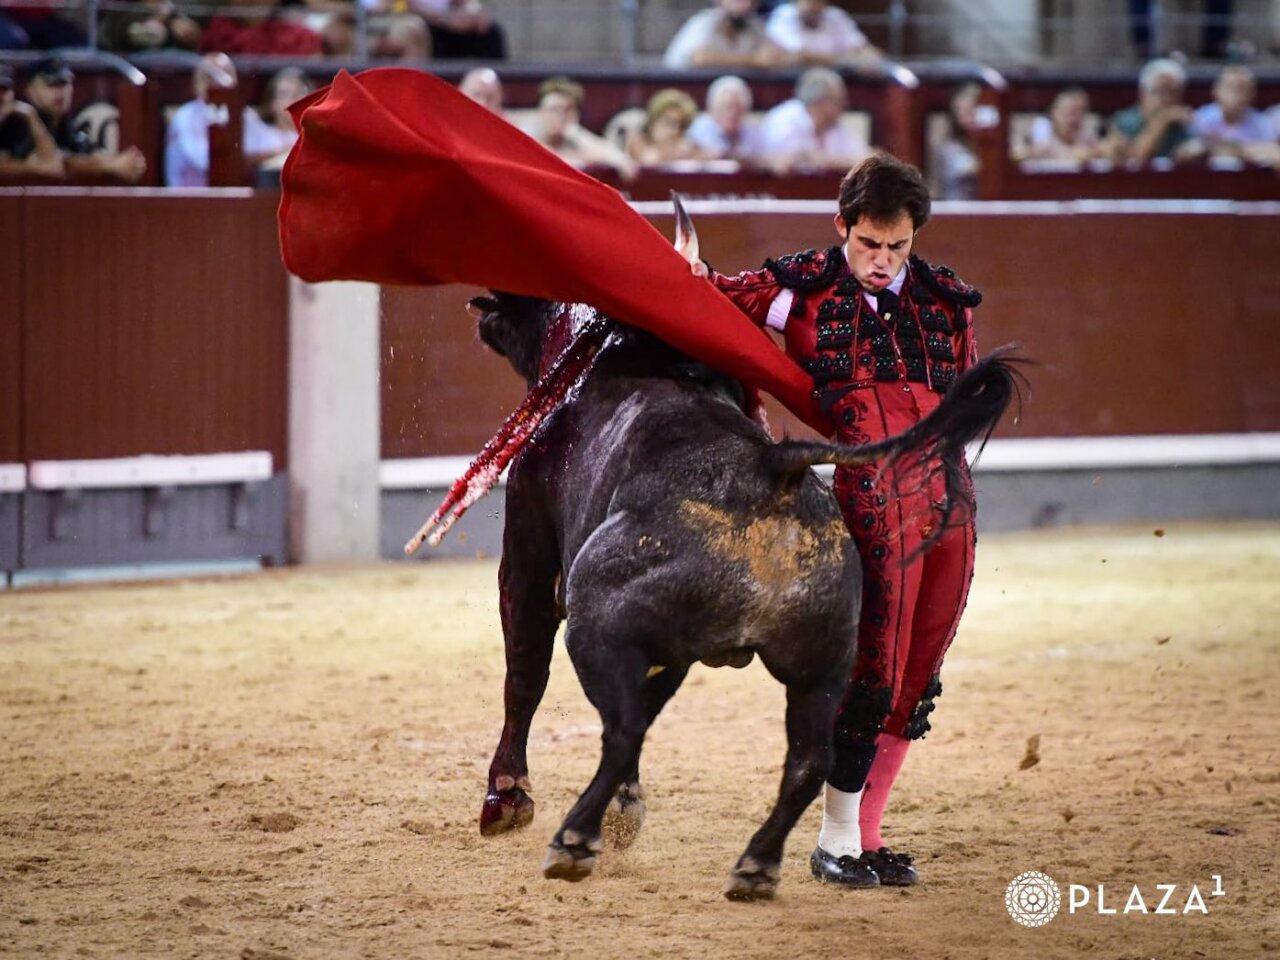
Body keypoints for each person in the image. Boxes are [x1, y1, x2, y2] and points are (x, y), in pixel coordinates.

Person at [691, 153, 982, 889]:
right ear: (841, 226)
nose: (882, 261)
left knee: (919, 669)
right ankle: (836, 840)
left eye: (897, 246)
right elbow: (706, 302)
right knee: (875, 663)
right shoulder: (798, 290)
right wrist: (687, 275)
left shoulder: (947, 300)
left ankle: (868, 836)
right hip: (872, 501)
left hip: (951, 500)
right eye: (868, 244)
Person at [165, 53, 296, 187]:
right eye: (209, 77)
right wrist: (253, 155)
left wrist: (298, 141)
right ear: (196, 85)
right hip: (191, 196)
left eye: (225, 75)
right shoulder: (185, 117)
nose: (218, 83)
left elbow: (268, 141)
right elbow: (206, 160)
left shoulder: (243, 114)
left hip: (231, 195)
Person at [15, 56, 147, 183]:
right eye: (51, 84)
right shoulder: (19, 122)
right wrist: (111, 165)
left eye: (64, 83)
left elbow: (83, 154)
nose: (60, 92)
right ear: (30, 90)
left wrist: (123, 163)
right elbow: (55, 162)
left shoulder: (68, 127)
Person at [759, 67, 869, 174]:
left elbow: (864, 159)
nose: (844, 106)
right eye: (838, 101)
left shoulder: (834, 125)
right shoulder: (784, 120)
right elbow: (786, 164)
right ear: (820, 102)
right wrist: (839, 161)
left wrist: (822, 159)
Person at [527, 76, 638, 180]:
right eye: (554, 109)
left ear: (576, 114)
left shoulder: (580, 142)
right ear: (540, 111)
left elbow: (621, 161)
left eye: (567, 110)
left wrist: (577, 134)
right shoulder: (528, 142)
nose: (560, 116)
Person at [1103, 57, 1201, 165]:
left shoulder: (1181, 123)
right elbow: (1135, 158)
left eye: (1172, 92)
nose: (1166, 98)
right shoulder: (1125, 121)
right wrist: (1162, 120)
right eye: (1160, 91)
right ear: (1143, 94)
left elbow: (1197, 147)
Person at [1190, 64, 1275, 163]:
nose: (1235, 95)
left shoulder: (1261, 122)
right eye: (1229, 88)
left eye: (1241, 89)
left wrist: (1235, 149)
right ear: (1216, 91)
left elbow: (1273, 152)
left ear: (1252, 94)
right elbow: (1186, 151)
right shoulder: (1199, 119)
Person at [663, 0, 784, 70]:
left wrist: (772, 58)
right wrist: (752, 60)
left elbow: (778, 54)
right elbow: (700, 58)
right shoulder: (705, 21)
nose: (746, 5)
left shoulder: (753, 25)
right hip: (682, 88)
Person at [764, 0, 882, 68]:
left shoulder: (836, 16)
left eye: (818, 2)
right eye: (808, 1)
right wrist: (845, 59)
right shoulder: (784, 15)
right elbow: (799, 55)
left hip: (836, 79)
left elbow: (864, 49)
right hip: (792, 82)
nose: (812, 7)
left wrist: (868, 57)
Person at [1013, 86, 1103, 164]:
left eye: (1080, 112)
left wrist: (1095, 153)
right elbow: (1016, 155)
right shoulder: (1041, 137)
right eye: (1069, 112)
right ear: (1054, 112)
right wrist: (1029, 154)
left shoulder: (1088, 138)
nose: (1074, 119)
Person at [0, 66, 63, 177]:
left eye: (4, 90)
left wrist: (31, 115)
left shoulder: (18, 123)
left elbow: (52, 166)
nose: (1, 96)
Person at [687, 75, 765, 163]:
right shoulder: (696, 131)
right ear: (711, 109)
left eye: (738, 107)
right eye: (726, 107)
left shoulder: (754, 133)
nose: (733, 113)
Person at [625, 88, 706, 167]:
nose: (675, 130)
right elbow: (648, 160)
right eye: (668, 122)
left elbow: (706, 156)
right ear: (654, 120)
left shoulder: (689, 148)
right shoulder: (636, 140)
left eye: (682, 126)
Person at [930, 82, 981, 199]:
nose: (965, 118)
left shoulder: (985, 144)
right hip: (957, 206)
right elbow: (969, 169)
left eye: (970, 111)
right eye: (961, 112)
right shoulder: (949, 148)